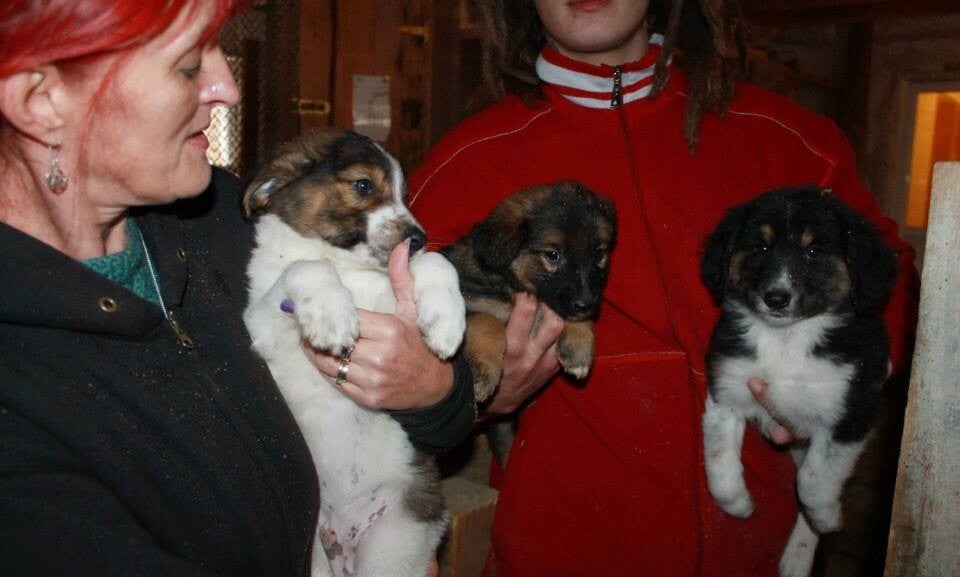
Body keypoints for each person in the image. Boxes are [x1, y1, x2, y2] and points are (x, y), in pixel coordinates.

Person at [409, 1, 919, 576]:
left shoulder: (788, 138)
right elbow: (385, 341)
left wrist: (847, 378)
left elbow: (890, 270)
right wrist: (468, 396)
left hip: (761, 551)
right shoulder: (468, 159)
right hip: (560, 553)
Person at [0, 1, 473, 575]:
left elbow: (448, 417)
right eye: (187, 64)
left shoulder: (226, 213)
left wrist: (431, 388)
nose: (228, 87)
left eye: (218, 51)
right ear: (41, 101)